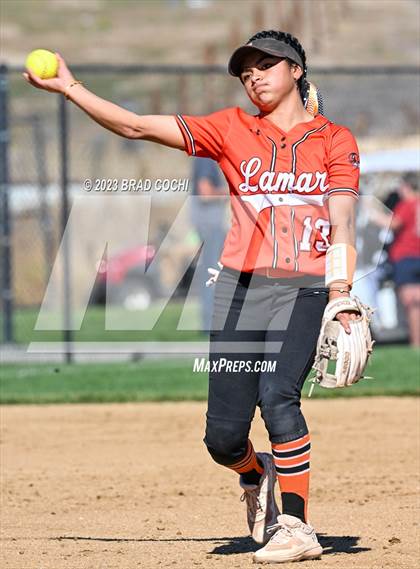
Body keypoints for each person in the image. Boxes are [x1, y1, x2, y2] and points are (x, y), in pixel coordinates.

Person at [24, 30, 361, 564]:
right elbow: (135, 126)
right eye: (246, 70)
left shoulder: (334, 140)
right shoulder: (230, 129)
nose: (253, 76)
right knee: (223, 439)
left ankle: (297, 527)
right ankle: (256, 473)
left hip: (306, 287)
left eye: (266, 64)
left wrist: (340, 294)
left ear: (297, 70)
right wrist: (70, 88)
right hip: (240, 289)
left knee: (279, 397)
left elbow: (342, 222)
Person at [371, 173, 420, 347]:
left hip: (406, 256)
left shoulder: (408, 204)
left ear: (406, 186)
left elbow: (394, 224)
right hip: (415, 255)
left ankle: (416, 342)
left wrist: (373, 214)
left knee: (411, 303)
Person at [190, 157, 227, 332]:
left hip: (208, 224)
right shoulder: (205, 158)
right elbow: (205, 193)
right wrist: (229, 192)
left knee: (210, 272)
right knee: (212, 273)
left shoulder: (203, 158)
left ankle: (210, 323)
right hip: (210, 225)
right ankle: (210, 324)